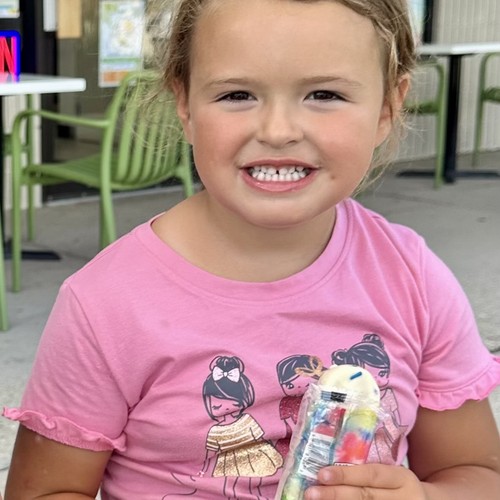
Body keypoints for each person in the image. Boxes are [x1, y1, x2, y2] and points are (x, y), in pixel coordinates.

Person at [3, 0, 500, 498]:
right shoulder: (106, 304)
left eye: (324, 94)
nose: (278, 131)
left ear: (387, 108)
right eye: (237, 94)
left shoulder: (412, 278)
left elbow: (474, 473)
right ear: (184, 104)